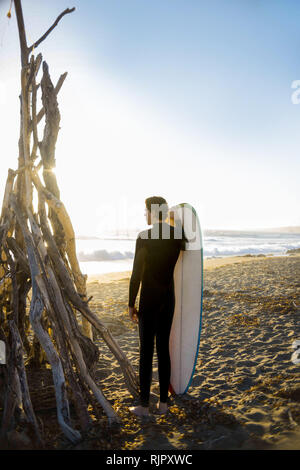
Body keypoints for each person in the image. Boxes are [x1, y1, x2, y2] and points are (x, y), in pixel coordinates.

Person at [128, 196, 185, 417]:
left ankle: (143, 406)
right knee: (163, 350)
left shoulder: (144, 237)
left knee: (146, 352)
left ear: (153, 212)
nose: (144, 214)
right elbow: (187, 248)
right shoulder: (176, 236)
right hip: (168, 299)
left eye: (146, 210)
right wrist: (172, 219)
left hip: (149, 300)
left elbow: (136, 275)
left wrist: (131, 304)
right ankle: (163, 404)